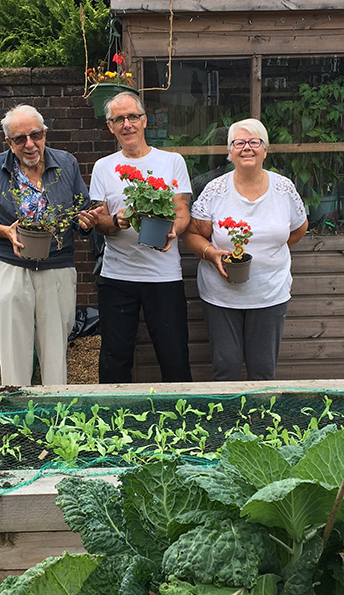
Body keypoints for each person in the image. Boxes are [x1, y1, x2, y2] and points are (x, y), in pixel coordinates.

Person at [0, 104, 101, 386]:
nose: (30, 144)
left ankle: (56, 409)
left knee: (55, 353)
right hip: (8, 265)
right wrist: (4, 231)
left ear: (44, 133)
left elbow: (81, 211)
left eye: (36, 135)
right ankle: (17, 409)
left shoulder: (66, 163)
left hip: (56, 266)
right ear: (9, 142)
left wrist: (86, 222)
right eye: (20, 139)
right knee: (13, 353)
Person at [182, 118, 308, 381]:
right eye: (238, 143)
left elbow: (299, 228)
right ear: (230, 152)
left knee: (263, 371)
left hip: (269, 294)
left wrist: (271, 251)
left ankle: (260, 411)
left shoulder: (283, 188)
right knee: (225, 368)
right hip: (221, 297)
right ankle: (227, 411)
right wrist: (211, 253)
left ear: (265, 150)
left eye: (254, 142)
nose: (247, 147)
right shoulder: (215, 190)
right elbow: (193, 233)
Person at [89, 91, 193, 383]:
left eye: (132, 117)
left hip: (163, 276)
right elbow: (98, 222)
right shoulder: (103, 167)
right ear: (110, 126)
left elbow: (182, 210)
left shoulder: (172, 162)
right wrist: (116, 221)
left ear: (144, 120)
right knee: (114, 358)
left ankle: (180, 411)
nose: (127, 124)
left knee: (174, 356)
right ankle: (111, 411)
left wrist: (174, 229)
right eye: (118, 119)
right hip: (117, 276)